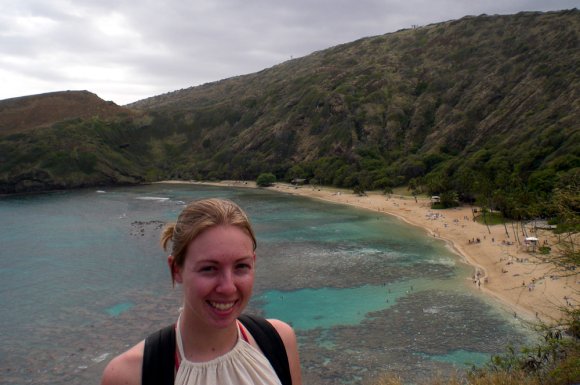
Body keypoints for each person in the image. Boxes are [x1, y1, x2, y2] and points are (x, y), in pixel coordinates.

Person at [101, 198, 302, 385]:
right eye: (209, 268)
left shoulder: (279, 341)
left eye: (241, 266)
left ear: (254, 263)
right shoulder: (130, 375)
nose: (228, 287)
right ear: (176, 269)